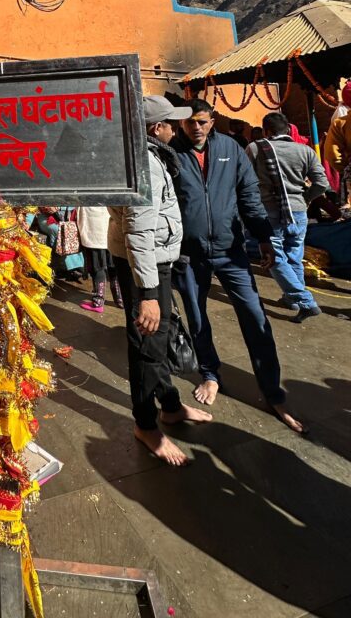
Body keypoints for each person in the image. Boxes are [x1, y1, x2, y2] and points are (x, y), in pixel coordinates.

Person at [171, 99, 305, 433]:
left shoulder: (231, 149)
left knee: (255, 317)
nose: (197, 128)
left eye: (202, 122)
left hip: (231, 251)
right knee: (198, 318)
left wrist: (263, 239)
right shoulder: (170, 152)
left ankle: (273, 392)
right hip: (189, 253)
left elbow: (249, 196)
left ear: (212, 121)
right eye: (190, 123)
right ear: (182, 124)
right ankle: (211, 374)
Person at [107, 95, 212, 466]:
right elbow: (138, 233)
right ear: (157, 129)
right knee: (148, 344)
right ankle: (146, 424)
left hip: (149, 262)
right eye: (171, 123)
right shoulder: (145, 165)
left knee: (159, 336)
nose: (177, 128)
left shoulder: (149, 156)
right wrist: (148, 294)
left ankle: (169, 405)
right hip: (144, 266)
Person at [247, 112, 329, 320]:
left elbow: (245, 180)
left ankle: (305, 301)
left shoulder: (256, 149)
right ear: (289, 130)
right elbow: (322, 183)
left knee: (273, 257)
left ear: (266, 130)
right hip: (299, 210)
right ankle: (291, 299)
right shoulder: (305, 151)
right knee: (293, 255)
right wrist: (307, 198)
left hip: (269, 211)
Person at [76, 205, 123, 312]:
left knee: (97, 267)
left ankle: (98, 301)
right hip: (110, 225)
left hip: (94, 227)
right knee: (113, 266)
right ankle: (120, 299)